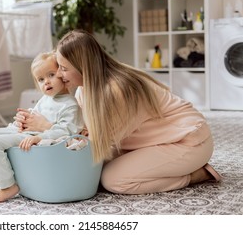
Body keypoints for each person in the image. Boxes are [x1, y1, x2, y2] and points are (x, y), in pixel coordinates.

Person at [15, 29, 222, 195]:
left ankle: (196, 175)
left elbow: (93, 143)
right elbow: (81, 132)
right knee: (94, 166)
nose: (59, 74)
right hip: (153, 140)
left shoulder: (117, 89)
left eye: (63, 68)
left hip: (188, 140)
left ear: (82, 66)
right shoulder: (84, 91)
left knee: (113, 180)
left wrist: (47, 128)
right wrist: (32, 123)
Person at [0, 51, 84, 202]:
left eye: (51, 75)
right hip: (21, 130)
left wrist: (38, 137)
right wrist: (22, 119)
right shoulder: (45, 99)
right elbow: (34, 115)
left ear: (62, 74)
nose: (46, 82)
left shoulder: (70, 104)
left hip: (32, 135)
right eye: (41, 79)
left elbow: (65, 132)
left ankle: (8, 186)